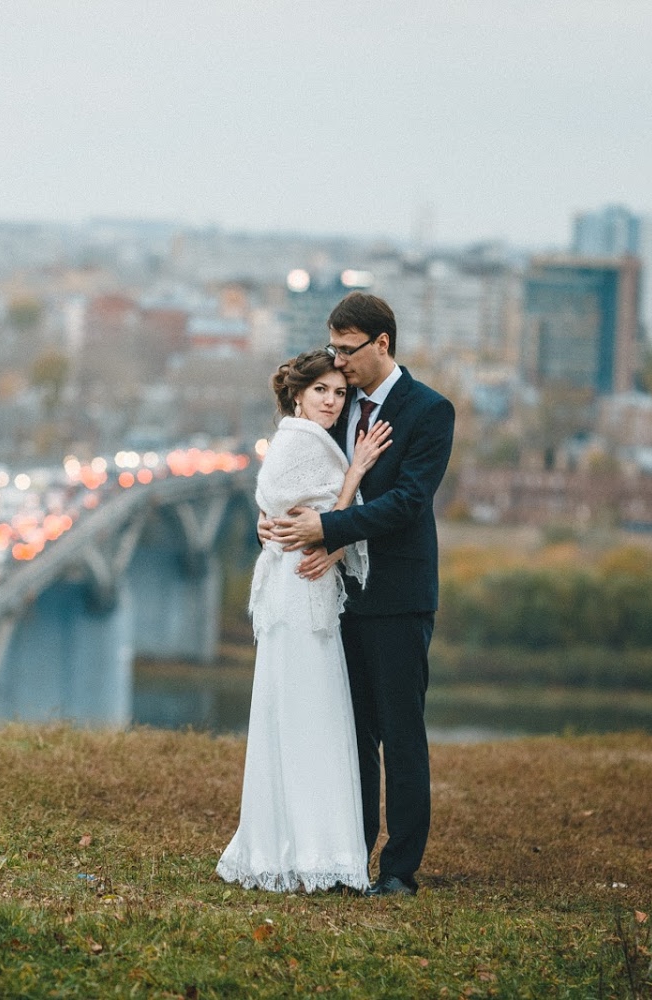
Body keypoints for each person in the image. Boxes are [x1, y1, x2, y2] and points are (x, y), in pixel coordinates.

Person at [261, 291, 455, 897]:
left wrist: (328, 530)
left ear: (382, 345)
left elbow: (407, 503)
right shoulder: (336, 405)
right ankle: (350, 857)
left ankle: (399, 869)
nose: (337, 364)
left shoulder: (430, 411)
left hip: (398, 595)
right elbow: (303, 483)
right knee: (353, 734)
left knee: (400, 732)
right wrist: (272, 525)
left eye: (346, 352)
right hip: (337, 594)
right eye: (332, 351)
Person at [216, 349, 391, 894]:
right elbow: (327, 517)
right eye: (322, 392)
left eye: (340, 394)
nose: (334, 403)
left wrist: (329, 529)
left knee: (305, 711)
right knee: (307, 712)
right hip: (300, 589)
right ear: (298, 394)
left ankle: (303, 848)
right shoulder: (301, 440)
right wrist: (356, 471)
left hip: (303, 583)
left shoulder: (306, 440)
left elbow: (312, 519)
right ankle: (312, 851)